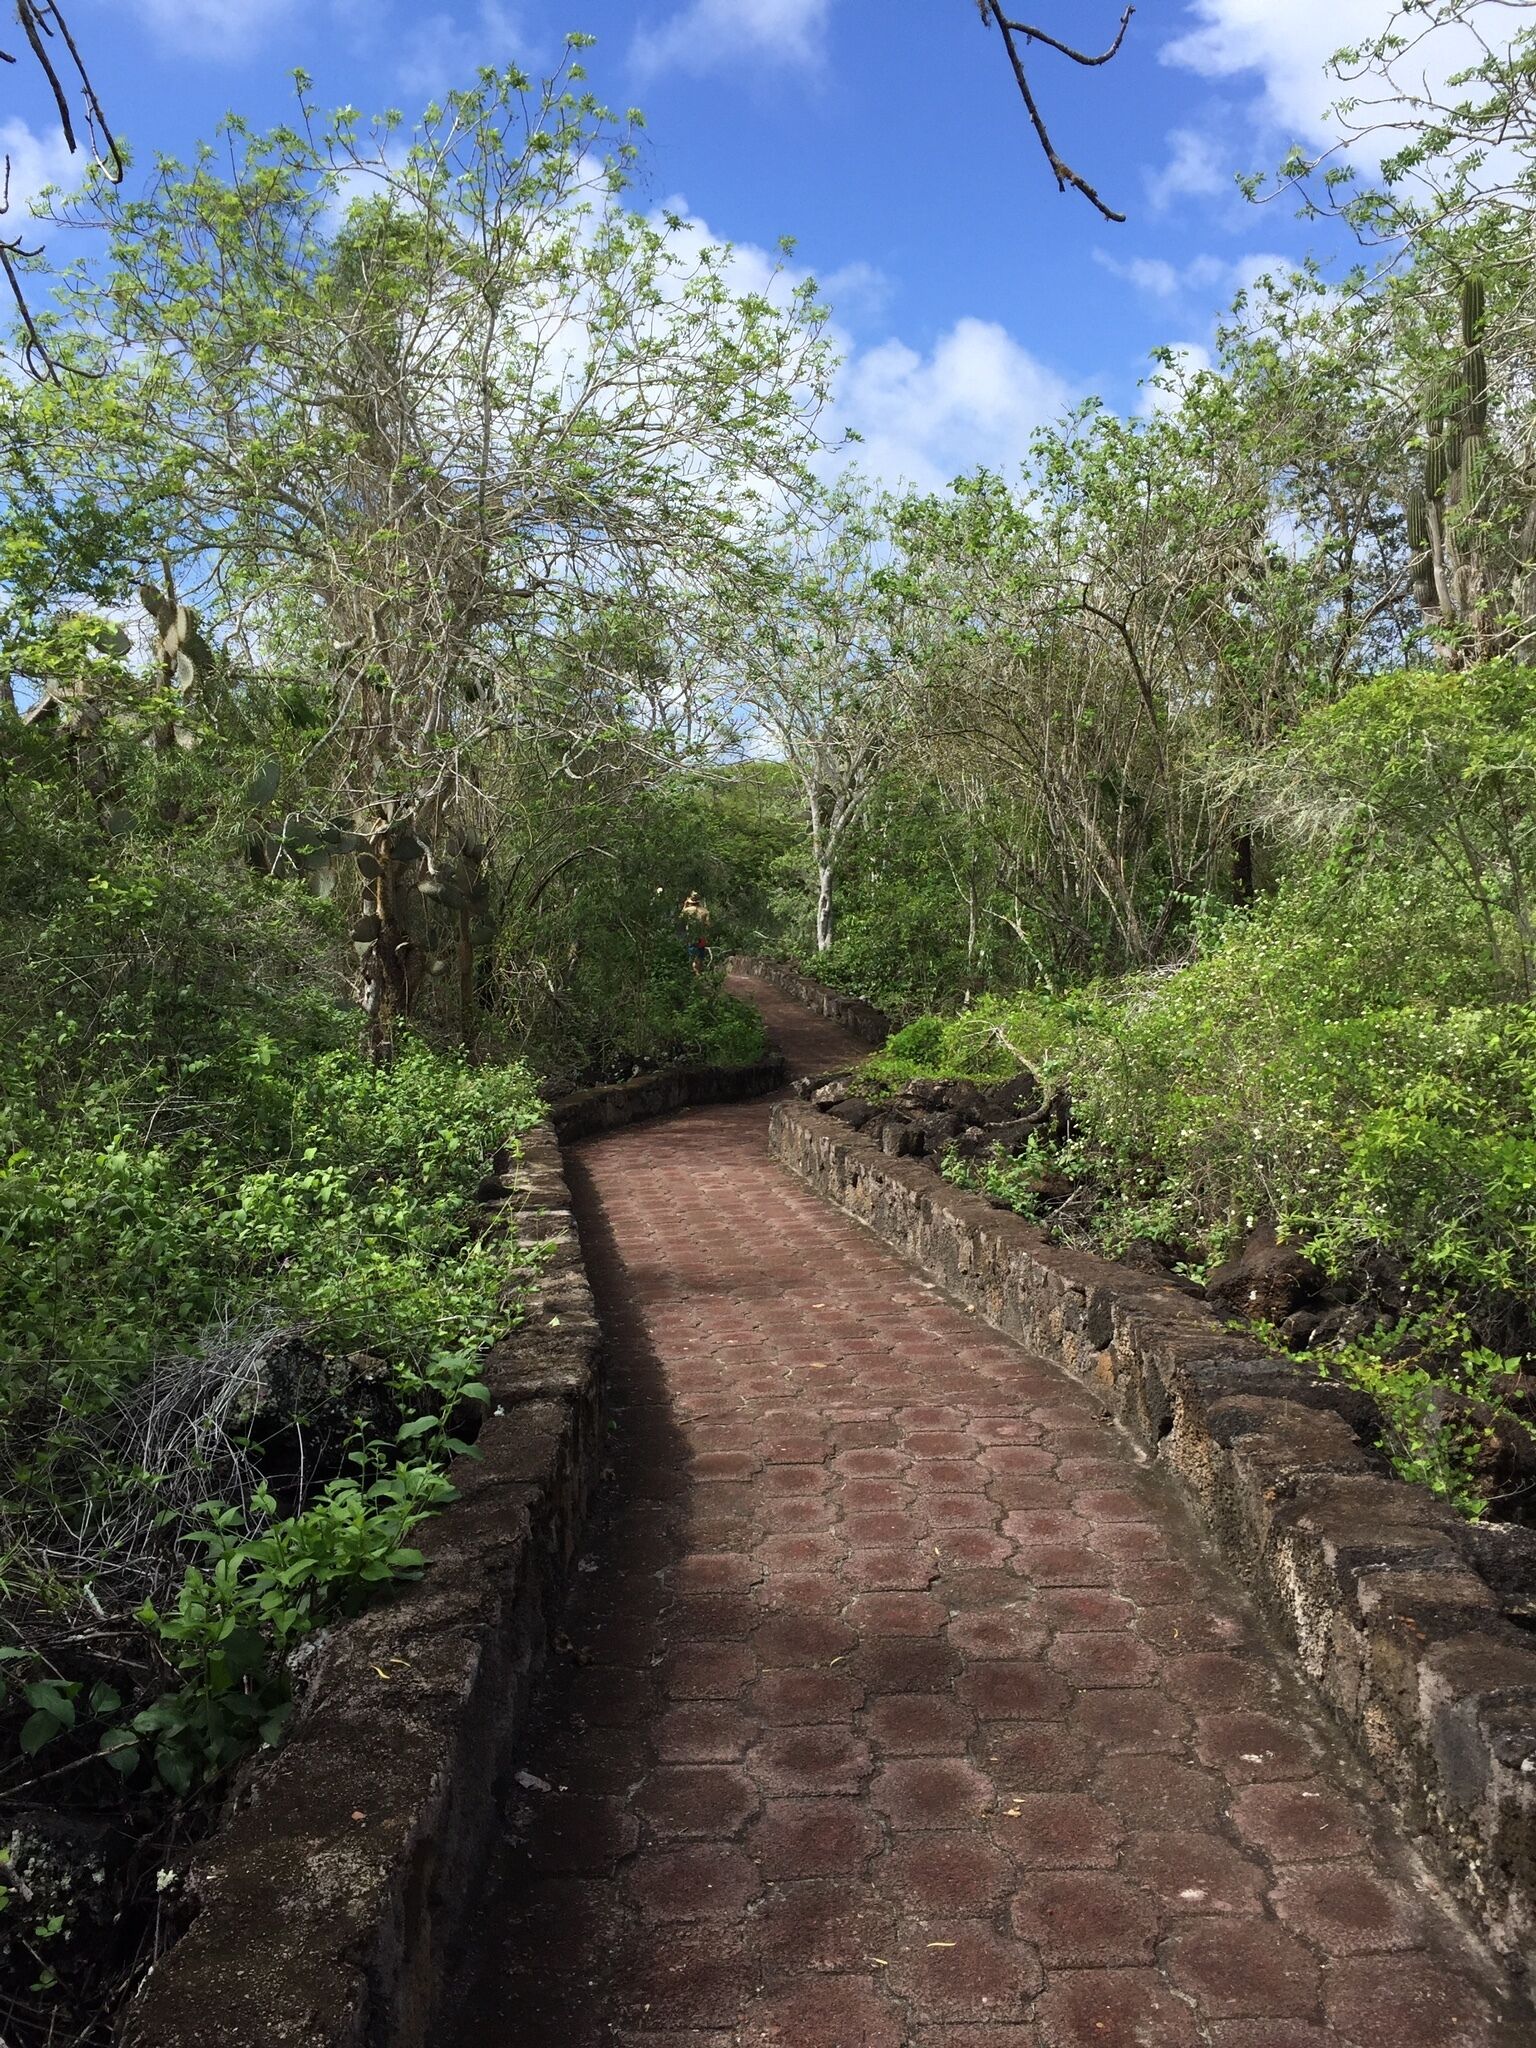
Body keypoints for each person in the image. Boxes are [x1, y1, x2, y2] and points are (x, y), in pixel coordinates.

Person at [681, 890, 712, 974]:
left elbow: (681, 918)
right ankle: (698, 971)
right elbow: (708, 925)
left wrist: (685, 905)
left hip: (691, 935)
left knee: (692, 954)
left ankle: (694, 972)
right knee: (700, 955)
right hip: (701, 936)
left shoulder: (687, 910)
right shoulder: (705, 911)